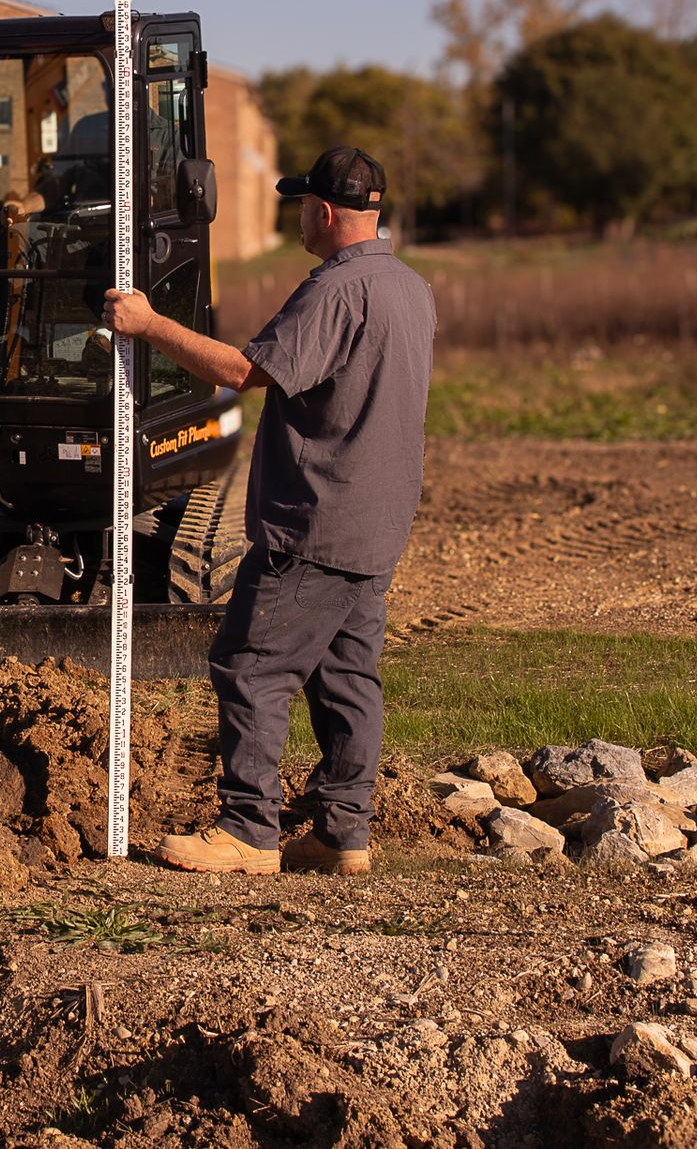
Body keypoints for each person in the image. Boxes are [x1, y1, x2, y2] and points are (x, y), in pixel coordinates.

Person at [101, 146, 436, 876]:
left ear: (322, 211)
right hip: (376, 523)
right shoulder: (411, 288)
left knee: (250, 666)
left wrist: (148, 325)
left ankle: (248, 831)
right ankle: (344, 835)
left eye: (300, 207)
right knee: (347, 676)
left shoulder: (336, 291)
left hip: (315, 521)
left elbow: (245, 372)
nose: (299, 221)